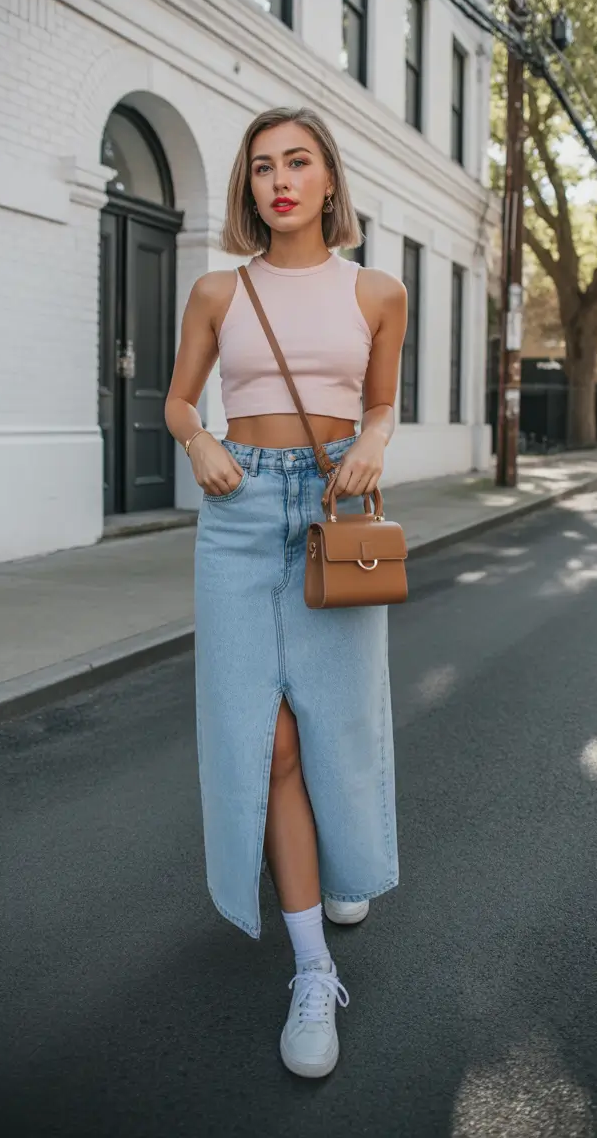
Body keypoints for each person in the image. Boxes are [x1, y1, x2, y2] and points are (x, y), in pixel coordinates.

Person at [165, 107, 407, 1078]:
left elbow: (382, 402)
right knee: (262, 739)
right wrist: (200, 442)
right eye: (263, 166)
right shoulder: (219, 290)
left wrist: (377, 445)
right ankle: (312, 967)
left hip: (335, 507)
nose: (279, 180)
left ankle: (339, 874)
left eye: (297, 161)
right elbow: (180, 398)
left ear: (327, 180)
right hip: (237, 514)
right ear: (249, 187)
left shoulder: (378, 291)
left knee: (332, 724)